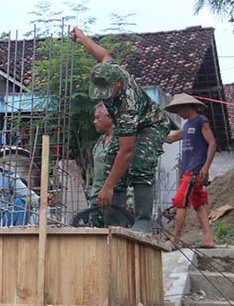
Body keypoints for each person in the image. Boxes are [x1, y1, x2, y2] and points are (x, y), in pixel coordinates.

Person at [70, 27, 169, 233]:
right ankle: (115, 217)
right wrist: (83, 39)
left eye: (108, 92)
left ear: (117, 82)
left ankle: (143, 220)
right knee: (111, 162)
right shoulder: (110, 69)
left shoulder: (127, 104)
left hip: (150, 124)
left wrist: (107, 187)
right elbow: (104, 55)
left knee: (140, 162)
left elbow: (128, 151)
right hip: (129, 127)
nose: (105, 97)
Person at [164, 94, 217, 248]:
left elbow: (212, 144)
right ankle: (208, 239)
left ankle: (175, 239)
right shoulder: (186, 126)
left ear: (187, 106)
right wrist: (154, 130)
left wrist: (206, 167)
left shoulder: (201, 121)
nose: (178, 113)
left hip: (194, 171)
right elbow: (170, 139)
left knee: (181, 202)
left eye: (179, 109)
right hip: (189, 171)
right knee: (199, 204)